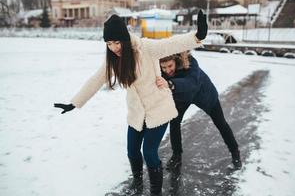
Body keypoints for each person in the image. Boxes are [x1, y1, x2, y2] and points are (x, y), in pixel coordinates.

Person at [54, 11, 207, 196]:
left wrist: (197, 36)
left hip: (158, 109)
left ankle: (155, 192)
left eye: (117, 42)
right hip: (137, 112)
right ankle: (137, 183)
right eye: (109, 44)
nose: (113, 48)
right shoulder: (113, 60)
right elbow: (96, 80)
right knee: (132, 151)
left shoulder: (146, 48)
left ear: (125, 39)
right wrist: (74, 103)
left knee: (149, 152)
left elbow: (171, 43)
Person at [156, 51, 242, 170]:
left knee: (221, 123)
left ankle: (235, 152)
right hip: (181, 98)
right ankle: (177, 155)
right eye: (164, 67)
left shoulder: (190, 62)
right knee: (174, 122)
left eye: (170, 66)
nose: (167, 70)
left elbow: (192, 83)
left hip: (203, 93)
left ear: (176, 60)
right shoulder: (161, 70)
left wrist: (171, 84)